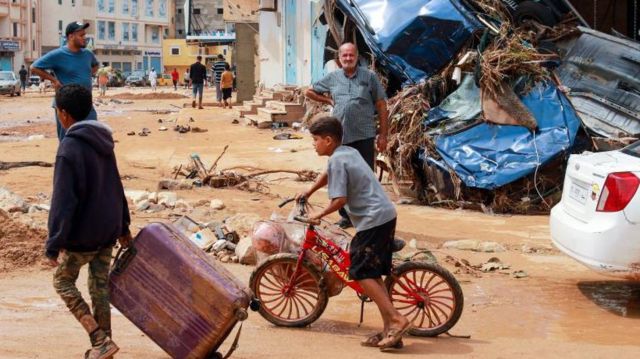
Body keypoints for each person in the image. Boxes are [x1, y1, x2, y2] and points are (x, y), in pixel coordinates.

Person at [296, 117, 410, 350]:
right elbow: (328, 174)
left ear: (328, 140)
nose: (313, 144)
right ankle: (389, 329)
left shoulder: (339, 161)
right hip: (384, 214)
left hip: (373, 219)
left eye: (316, 140)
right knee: (372, 273)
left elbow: (340, 200)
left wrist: (318, 215)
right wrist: (309, 191)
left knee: (358, 271)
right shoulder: (346, 152)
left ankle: (397, 319)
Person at [45, 84, 132, 359]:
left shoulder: (68, 148)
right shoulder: (104, 141)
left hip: (82, 235)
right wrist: (124, 226)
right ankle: (105, 347)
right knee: (99, 287)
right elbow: (116, 185)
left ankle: (98, 338)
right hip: (107, 229)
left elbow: (63, 202)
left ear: (64, 114)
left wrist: (53, 243)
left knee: (62, 282)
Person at [305, 42, 389, 229]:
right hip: (339, 138)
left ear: (357, 57)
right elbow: (309, 91)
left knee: (364, 176)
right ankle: (346, 216)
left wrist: (383, 135)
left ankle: (368, 215)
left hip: (364, 135)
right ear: (339, 58)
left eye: (351, 55)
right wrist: (327, 99)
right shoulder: (332, 77)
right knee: (339, 177)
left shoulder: (369, 77)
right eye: (345, 56)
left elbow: (382, 106)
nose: (348, 58)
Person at [31, 21, 99, 141]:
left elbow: (95, 66)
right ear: (71, 36)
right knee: (68, 140)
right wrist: (54, 80)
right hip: (66, 106)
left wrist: (85, 76)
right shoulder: (58, 54)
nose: (85, 38)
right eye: (81, 35)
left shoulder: (88, 54)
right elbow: (34, 67)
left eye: (85, 35)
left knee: (92, 138)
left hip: (86, 104)